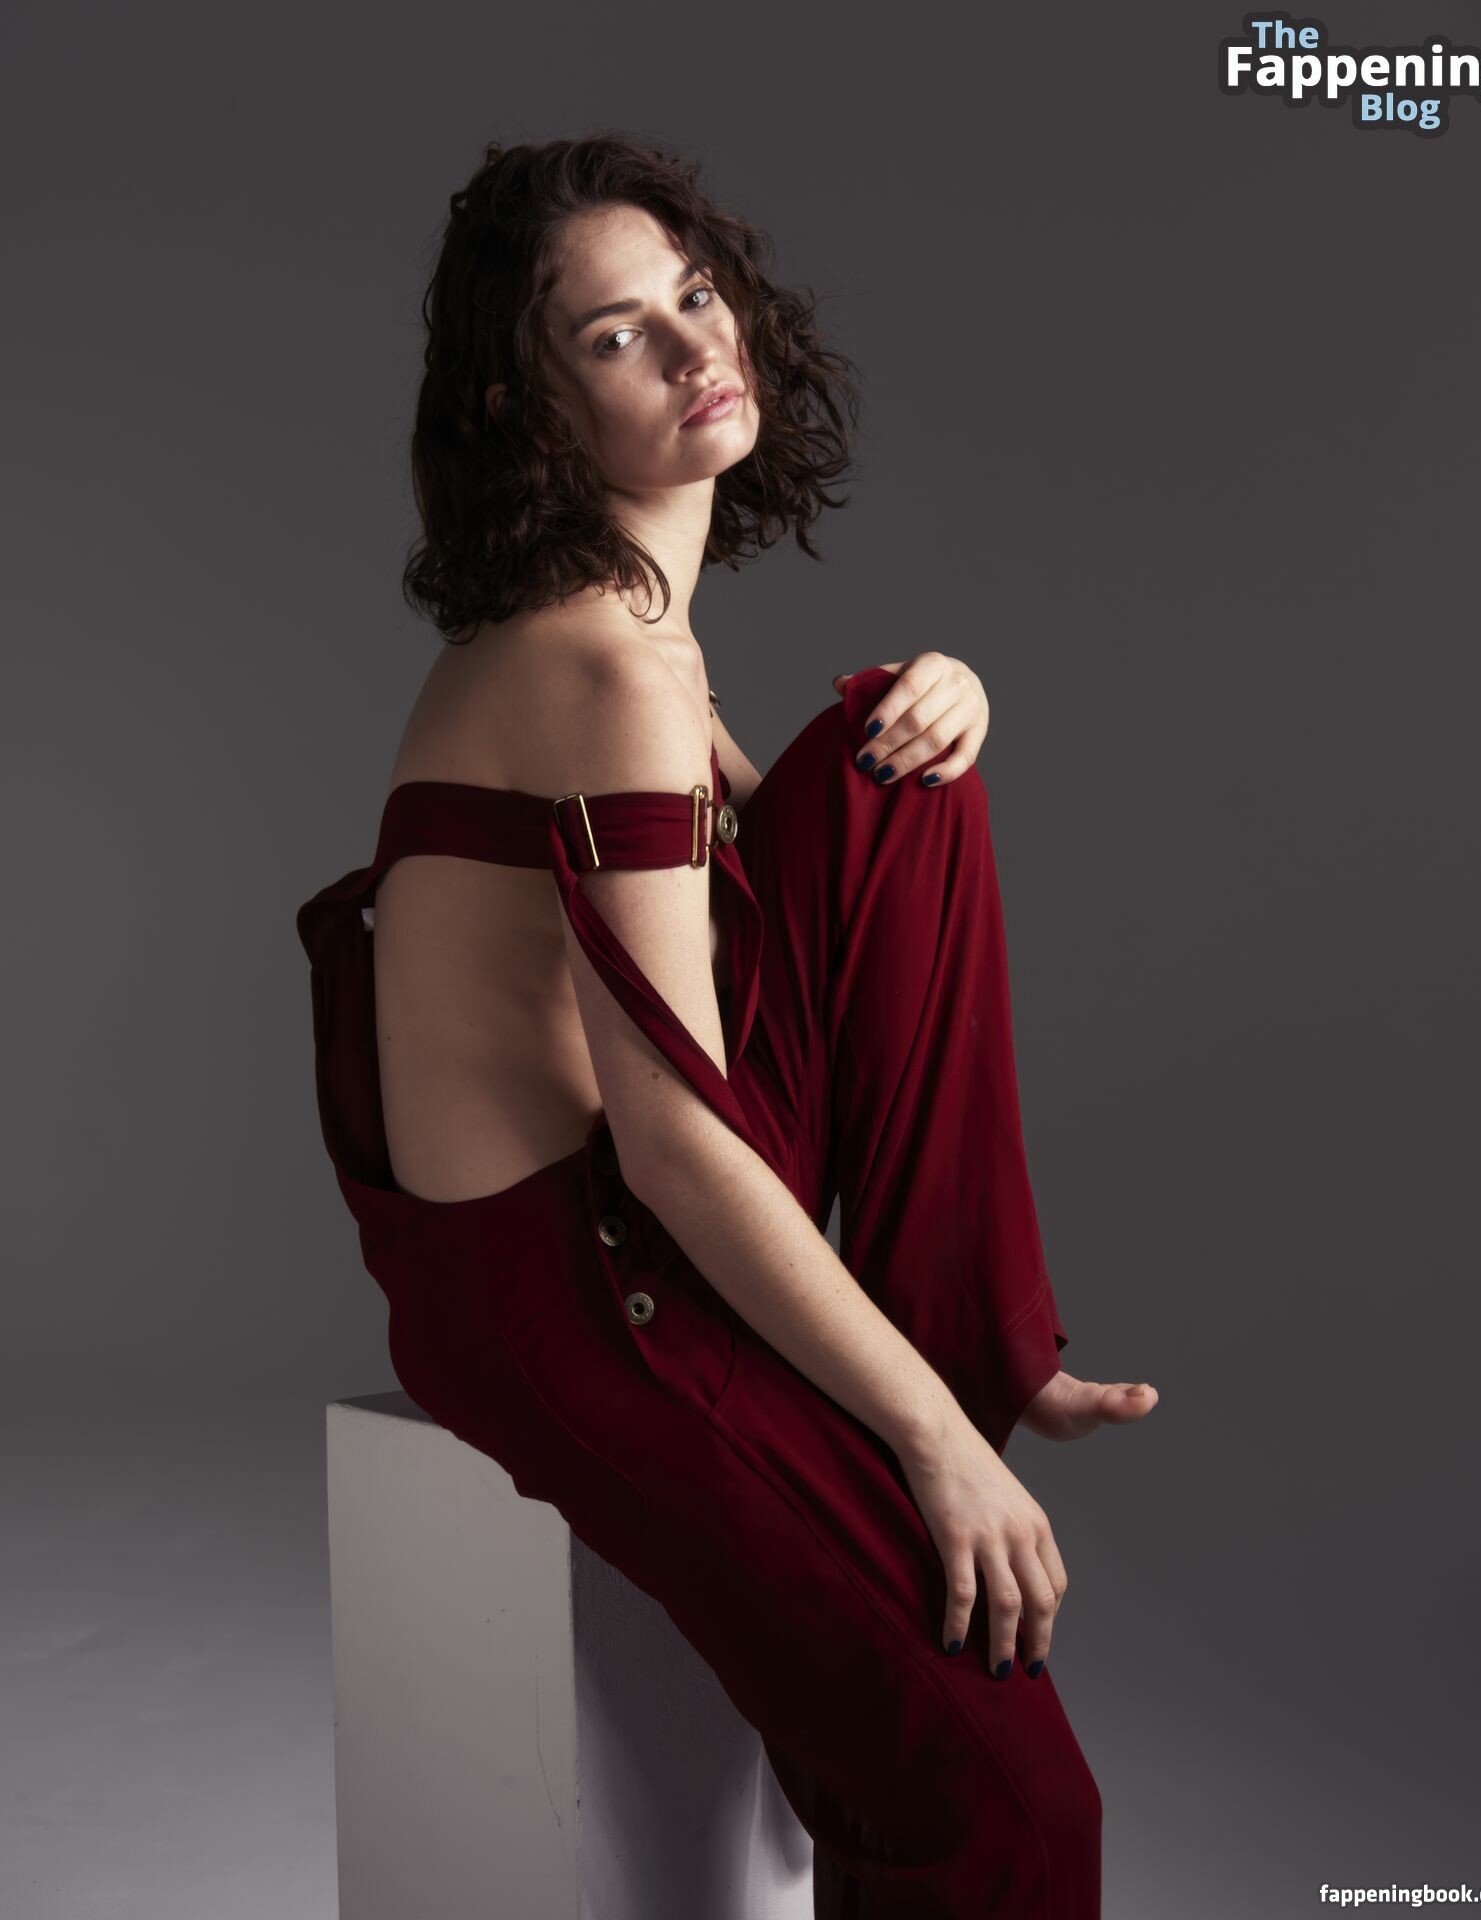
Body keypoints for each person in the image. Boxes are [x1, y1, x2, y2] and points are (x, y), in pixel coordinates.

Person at [296, 132, 1158, 1917]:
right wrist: (926, 1441)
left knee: (899, 763)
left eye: (694, 296)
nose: (697, 347)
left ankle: (984, 1335)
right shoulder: (601, 667)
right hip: (575, 1287)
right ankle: (954, 1368)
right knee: (1006, 1801)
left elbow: (807, 903)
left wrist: (944, 707)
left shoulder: (629, 644)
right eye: (616, 334)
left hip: (621, 1222)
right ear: (528, 410)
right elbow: (679, 1136)